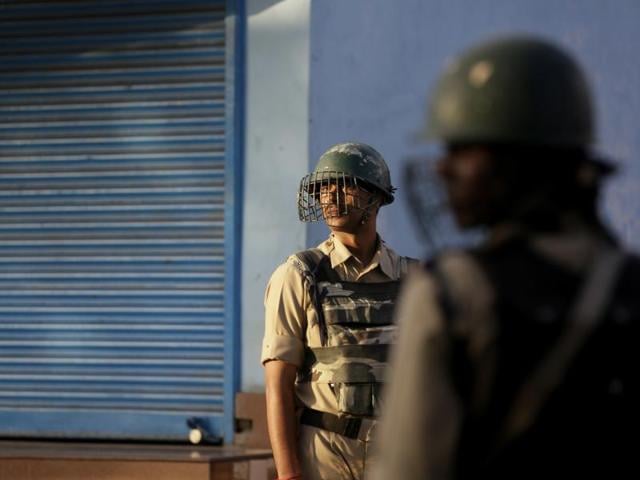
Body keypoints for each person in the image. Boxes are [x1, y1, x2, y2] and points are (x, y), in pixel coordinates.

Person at [374, 36, 639, 479]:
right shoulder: (629, 284)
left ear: (518, 162)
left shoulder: (452, 293)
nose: (442, 168)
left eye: (463, 149)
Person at [262, 142, 415, 480]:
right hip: (326, 452)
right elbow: (278, 386)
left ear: (374, 196)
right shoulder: (299, 275)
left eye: (342, 185)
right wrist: (289, 475)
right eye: (322, 189)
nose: (329, 197)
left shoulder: (413, 279)